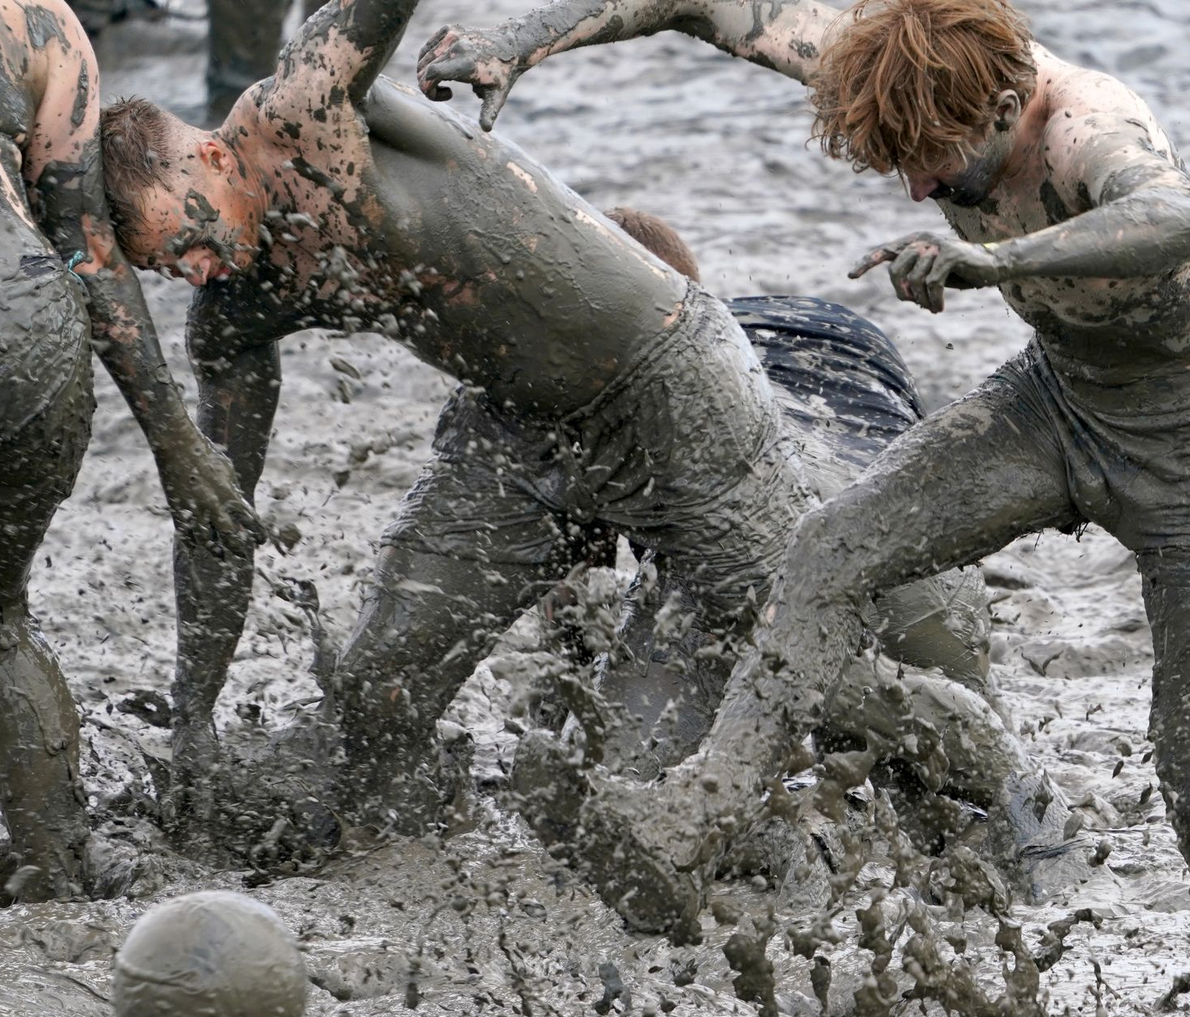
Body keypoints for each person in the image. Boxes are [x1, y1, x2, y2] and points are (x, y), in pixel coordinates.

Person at [97, 0, 1064, 891]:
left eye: (184, 237)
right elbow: (214, 517)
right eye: (159, 266)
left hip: (669, 382)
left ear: (215, 162)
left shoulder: (302, 112)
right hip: (517, 424)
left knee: (791, 653)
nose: (192, 270)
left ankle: (1009, 780)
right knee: (376, 685)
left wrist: (514, 40)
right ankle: (371, 849)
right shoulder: (232, 313)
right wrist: (193, 714)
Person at [418, 0, 1190, 937]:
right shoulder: (906, 77)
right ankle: (695, 811)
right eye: (899, 164)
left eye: (932, 163)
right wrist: (519, 41)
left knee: (1182, 746)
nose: (917, 190)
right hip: (1061, 398)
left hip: (1180, 440)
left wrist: (999, 263)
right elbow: (701, 4)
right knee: (830, 547)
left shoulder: (1084, 123)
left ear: (1003, 104)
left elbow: (1173, 212)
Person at [0, 0, 259, 902]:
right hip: (22, 326)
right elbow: (84, 247)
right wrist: (180, 449)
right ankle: (56, 871)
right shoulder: (39, 22)